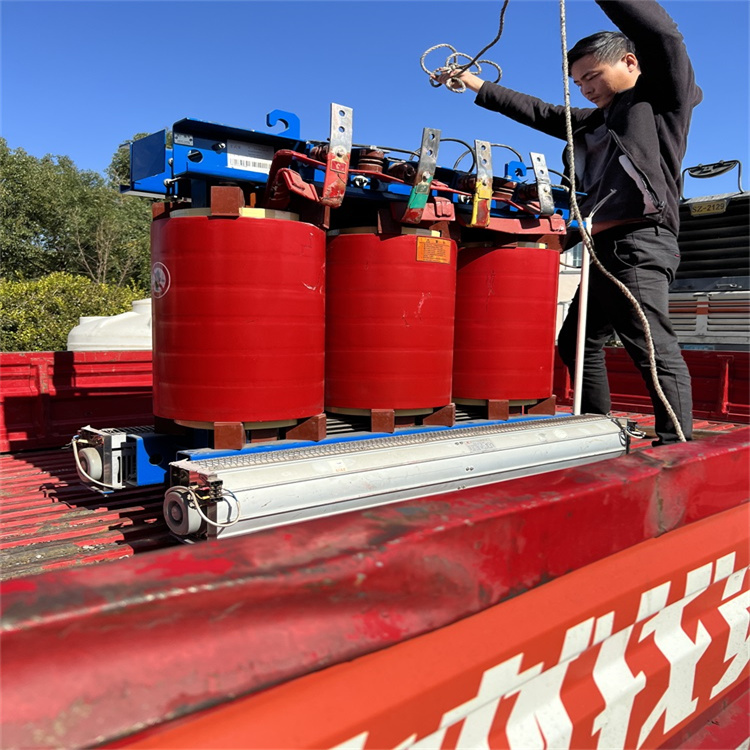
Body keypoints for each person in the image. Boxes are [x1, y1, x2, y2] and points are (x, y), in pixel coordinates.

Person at [437, 0, 701, 445]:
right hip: (602, 250)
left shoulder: (661, 100)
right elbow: (539, 112)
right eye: (577, 83)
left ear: (630, 62)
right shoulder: (591, 122)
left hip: (640, 241)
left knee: (650, 347)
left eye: (592, 77)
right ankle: (600, 427)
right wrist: (473, 82)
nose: (585, 90)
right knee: (578, 343)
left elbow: (663, 36)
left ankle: (678, 444)